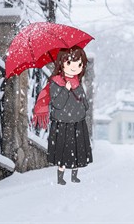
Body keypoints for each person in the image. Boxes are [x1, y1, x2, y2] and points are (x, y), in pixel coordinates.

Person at [32, 46, 93, 185]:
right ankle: (60, 177)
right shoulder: (56, 82)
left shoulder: (78, 82)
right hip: (63, 122)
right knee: (64, 152)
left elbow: (85, 102)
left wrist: (81, 100)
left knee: (77, 152)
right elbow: (57, 103)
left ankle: (74, 175)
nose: (74, 67)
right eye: (70, 63)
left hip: (78, 122)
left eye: (79, 64)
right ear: (62, 63)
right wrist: (66, 89)